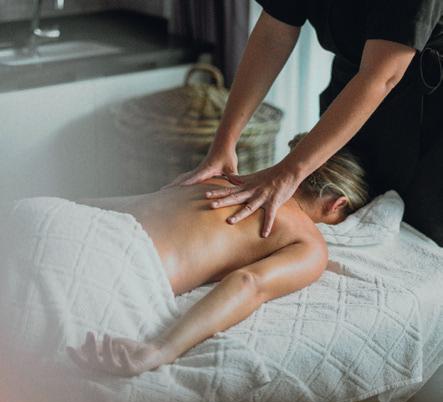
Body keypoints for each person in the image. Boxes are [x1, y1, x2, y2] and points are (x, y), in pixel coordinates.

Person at [67, 139, 369, 377]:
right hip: (113, 264)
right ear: (337, 204)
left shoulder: (225, 179)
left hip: (73, 218)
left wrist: (67, 205)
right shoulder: (309, 242)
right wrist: (161, 349)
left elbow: (139, 203)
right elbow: (249, 284)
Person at [166, 0, 443, 246]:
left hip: (428, 114)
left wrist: (288, 172)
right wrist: (224, 144)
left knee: (419, 239)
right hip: (353, 87)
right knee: (340, 223)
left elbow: (381, 76)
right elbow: (274, 32)